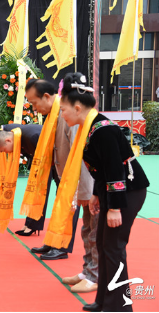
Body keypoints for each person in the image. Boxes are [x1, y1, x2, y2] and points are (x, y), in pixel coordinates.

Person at [59, 73, 149, 312]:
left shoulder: (103, 130)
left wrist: (115, 207)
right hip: (112, 190)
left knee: (114, 246)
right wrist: (98, 196)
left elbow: (115, 171)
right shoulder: (88, 127)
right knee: (102, 243)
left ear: (78, 108)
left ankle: (120, 306)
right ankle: (104, 301)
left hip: (128, 190)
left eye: (64, 109)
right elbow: (100, 170)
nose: (62, 114)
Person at [24, 79, 94, 262]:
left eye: (34, 103)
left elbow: (77, 150)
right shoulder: (54, 112)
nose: (33, 108)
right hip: (58, 167)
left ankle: (61, 246)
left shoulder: (67, 112)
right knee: (59, 207)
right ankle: (53, 241)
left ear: (47, 97)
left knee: (69, 208)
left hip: (72, 173)